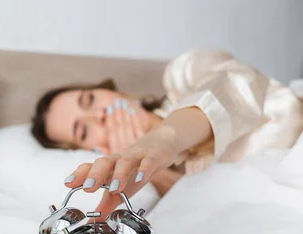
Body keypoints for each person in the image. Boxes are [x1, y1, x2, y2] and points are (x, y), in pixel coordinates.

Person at [30, 48, 303, 217]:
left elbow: (235, 88)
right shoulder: (152, 195)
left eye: (89, 100)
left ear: (109, 89)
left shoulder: (184, 75)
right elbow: (217, 212)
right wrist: (153, 170)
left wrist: (163, 138)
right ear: (93, 151)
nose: (98, 115)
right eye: (84, 130)